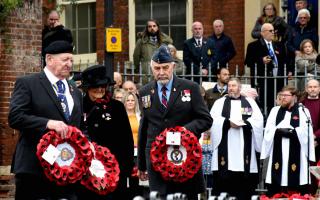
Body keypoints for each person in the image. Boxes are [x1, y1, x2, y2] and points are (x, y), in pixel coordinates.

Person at [8, 40, 81, 200]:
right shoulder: (28, 84)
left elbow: (78, 127)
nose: (69, 64)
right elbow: (15, 117)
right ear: (49, 59)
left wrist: (87, 146)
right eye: (65, 60)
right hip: (34, 170)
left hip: (67, 170)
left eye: (71, 60)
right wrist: (48, 123)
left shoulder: (74, 90)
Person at [137, 45, 212, 200]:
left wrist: (183, 132)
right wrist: (142, 165)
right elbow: (145, 128)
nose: (161, 72)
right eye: (157, 68)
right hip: (157, 161)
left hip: (185, 159)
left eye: (165, 67)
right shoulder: (145, 91)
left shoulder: (190, 88)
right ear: (152, 69)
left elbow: (205, 119)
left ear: (173, 66)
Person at [79, 64, 134, 200]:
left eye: (103, 86)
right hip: (86, 170)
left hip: (113, 171)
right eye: (95, 86)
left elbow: (127, 139)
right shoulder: (79, 106)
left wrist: (125, 169)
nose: (100, 89)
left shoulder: (117, 107)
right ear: (87, 88)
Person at [209, 78, 264, 200]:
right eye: (229, 86)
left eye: (234, 86)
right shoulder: (219, 102)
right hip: (225, 143)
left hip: (244, 143)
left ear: (240, 87)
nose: (231, 88)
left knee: (244, 184)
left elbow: (258, 121)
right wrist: (228, 123)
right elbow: (213, 119)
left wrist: (246, 123)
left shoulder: (249, 102)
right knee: (224, 179)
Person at [261, 85, 315, 196]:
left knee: (297, 175)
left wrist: (292, 132)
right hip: (278, 146)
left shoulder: (303, 111)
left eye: (286, 95)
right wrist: (278, 131)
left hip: (296, 149)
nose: (282, 98)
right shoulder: (275, 110)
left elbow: (307, 131)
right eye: (281, 95)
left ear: (294, 97)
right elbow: (268, 129)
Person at [245, 23, 288, 113]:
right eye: (270, 31)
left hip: (278, 79)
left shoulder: (279, 45)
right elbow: (248, 62)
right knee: (264, 103)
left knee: (278, 102)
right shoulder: (253, 45)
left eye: (274, 31)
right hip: (263, 80)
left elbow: (285, 61)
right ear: (263, 33)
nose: (273, 33)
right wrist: (261, 60)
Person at [133, 19, 173, 84]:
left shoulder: (163, 41)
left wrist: (161, 34)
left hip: (161, 72)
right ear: (147, 28)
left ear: (158, 27)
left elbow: (170, 51)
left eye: (154, 26)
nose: (152, 28)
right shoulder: (141, 42)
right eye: (150, 26)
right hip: (147, 72)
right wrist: (138, 69)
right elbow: (136, 57)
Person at [301, 79, 320, 160]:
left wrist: (315, 137)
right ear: (306, 89)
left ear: (319, 88)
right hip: (304, 142)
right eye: (310, 87)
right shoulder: (300, 103)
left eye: (315, 87)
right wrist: (308, 139)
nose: (312, 89)